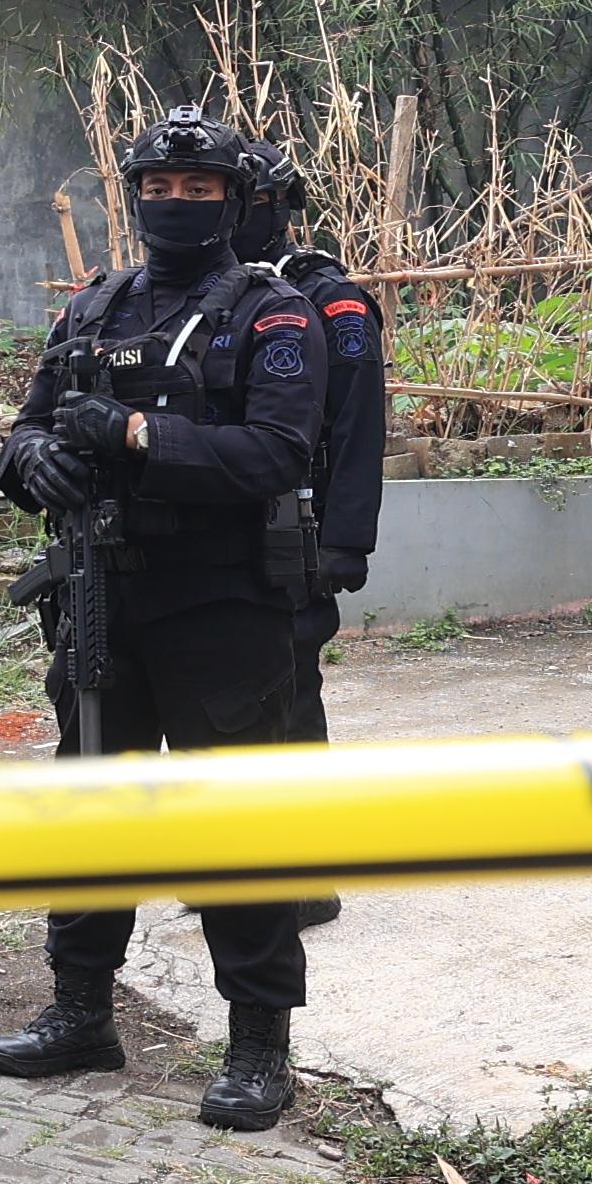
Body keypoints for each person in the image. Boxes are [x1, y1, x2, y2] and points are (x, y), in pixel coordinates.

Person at [0, 106, 328, 1132]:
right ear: (134, 199)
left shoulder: (272, 314)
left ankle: (260, 1043)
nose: (176, 206)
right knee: (90, 803)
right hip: (102, 592)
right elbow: (29, 421)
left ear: (234, 200)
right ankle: (81, 1008)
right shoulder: (95, 308)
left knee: (233, 820)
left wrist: (140, 433)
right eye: (158, 191)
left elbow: (275, 455)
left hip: (221, 604)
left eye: (200, 191)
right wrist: (28, 462)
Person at [237, 139, 386, 742]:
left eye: (255, 203)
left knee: (287, 690)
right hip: (207, 527)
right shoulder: (197, 294)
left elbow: (358, 425)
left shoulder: (330, 301)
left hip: (292, 529)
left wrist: (345, 542)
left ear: (281, 209)